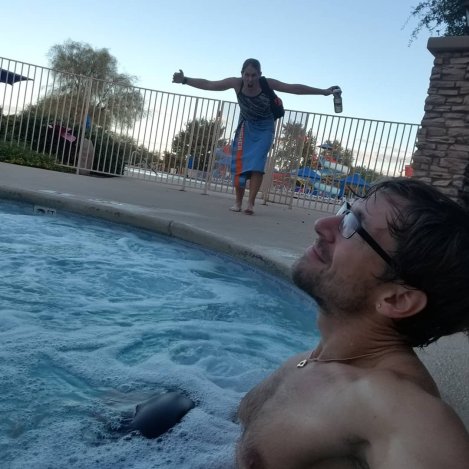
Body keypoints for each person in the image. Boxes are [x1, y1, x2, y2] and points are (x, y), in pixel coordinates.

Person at [236, 177, 469, 468]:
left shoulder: (397, 409)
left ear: (397, 299)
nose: (322, 224)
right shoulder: (314, 360)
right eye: (346, 211)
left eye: (353, 226)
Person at [173, 59, 338, 215]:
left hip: (265, 127)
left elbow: (293, 88)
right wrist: (185, 80)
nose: (250, 79)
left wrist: (323, 92)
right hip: (246, 126)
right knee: (239, 164)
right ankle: (238, 202)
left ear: (259, 74)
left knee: (257, 163)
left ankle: (250, 203)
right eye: (247, 75)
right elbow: (210, 84)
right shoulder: (236, 83)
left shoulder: (267, 83)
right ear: (242, 74)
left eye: (254, 75)